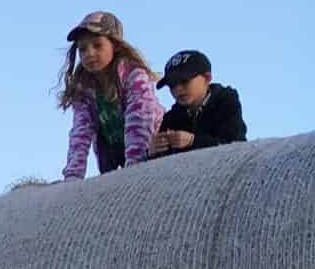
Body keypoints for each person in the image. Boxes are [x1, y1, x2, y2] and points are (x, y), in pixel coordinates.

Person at [59, 11, 163, 179]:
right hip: (113, 149)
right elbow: (81, 130)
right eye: (82, 49)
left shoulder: (134, 76)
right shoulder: (84, 89)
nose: (89, 54)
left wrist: (135, 164)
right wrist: (73, 174)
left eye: (97, 45)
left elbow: (140, 119)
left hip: (151, 146)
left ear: (115, 45)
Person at [150, 50, 248, 157]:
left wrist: (192, 141)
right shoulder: (171, 118)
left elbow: (235, 146)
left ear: (207, 78)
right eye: (172, 85)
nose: (177, 89)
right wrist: (153, 151)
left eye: (184, 81)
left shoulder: (226, 101)